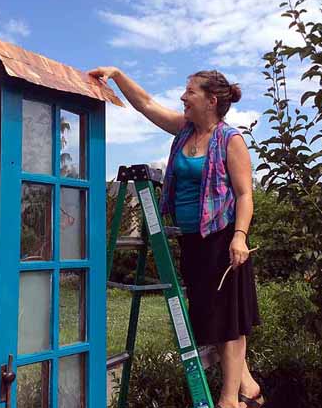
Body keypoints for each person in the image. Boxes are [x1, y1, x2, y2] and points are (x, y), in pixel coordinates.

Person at [89, 66, 264, 408]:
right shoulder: (184, 131)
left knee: (228, 322)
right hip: (192, 240)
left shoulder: (230, 140)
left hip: (223, 239)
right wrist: (118, 75)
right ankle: (249, 387)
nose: (183, 97)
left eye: (190, 92)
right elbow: (147, 105)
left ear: (211, 100)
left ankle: (230, 399)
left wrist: (239, 237)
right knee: (208, 318)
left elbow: (245, 195)